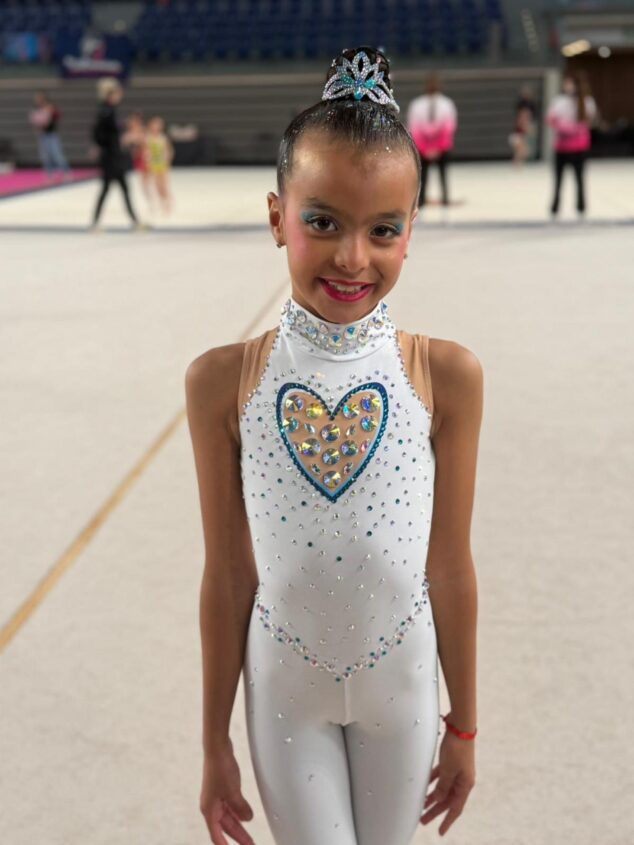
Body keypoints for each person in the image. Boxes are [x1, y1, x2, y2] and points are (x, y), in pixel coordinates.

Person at [185, 45, 482, 845]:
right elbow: (228, 571)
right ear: (278, 214)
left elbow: (449, 563)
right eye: (323, 222)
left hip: (405, 680)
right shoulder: (222, 381)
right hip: (287, 689)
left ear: (410, 232)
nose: (354, 257)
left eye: (383, 229)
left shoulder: (446, 375)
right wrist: (213, 739)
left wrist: (467, 725)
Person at [90, 77, 142, 231]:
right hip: (111, 158)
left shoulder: (109, 111)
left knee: (122, 189)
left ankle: (134, 220)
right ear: (110, 95)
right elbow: (100, 133)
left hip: (114, 156)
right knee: (108, 189)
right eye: (117, 94)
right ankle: (95, 222)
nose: (119, 96)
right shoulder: (106, 112)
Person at [546, 71, 598, 218]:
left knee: (580, 180)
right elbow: (550, 119)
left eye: (570, 83)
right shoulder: (558, 101)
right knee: (558, 181)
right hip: (562, 148)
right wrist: (565, 127)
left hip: (579, 148)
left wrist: (574, 129)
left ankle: (581, 207)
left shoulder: (586, 102)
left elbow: (589, 122)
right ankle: (555, 208)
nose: (567, 86)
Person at [406, 73, 457, 208]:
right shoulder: (417, 105)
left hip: (441, 147)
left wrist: (438, 147)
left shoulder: (447, 104)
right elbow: (414, 128)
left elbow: (449, 127)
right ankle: (421, 200)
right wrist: (424, 149)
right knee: (423, 177)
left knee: (443, 174)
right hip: (423, 148)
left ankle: (445, 198)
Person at [28, 92, 71, 182]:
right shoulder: (36, 108)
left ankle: (66, 172)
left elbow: (57, 117)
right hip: (42, 134)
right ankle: (49, 175)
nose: (38, 100)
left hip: (51, 134)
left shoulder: (50, 106)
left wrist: (51, 112)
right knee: (45, 156)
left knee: (57, 155)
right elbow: (34, 120)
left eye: (39, 98)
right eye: (36, 99)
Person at [121, 111, 153, 208]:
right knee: (137, 182)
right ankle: (143, 200)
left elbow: (147, 144)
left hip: (143, 158)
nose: (133, 123)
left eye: (135, 121)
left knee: (146, 181)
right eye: (132, 121)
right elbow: (124, 142)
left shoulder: (143, 131)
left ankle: (149, 199)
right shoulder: (128, 133)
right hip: (132, 159)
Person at [145, 115, 174, 214]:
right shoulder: (148, 137)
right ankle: (161, 203)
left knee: (164, 185)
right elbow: (146, 151)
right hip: (154, 164)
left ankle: (168, 203)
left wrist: (167, 160)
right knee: (157, 186)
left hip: (162, 164)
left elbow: (169, 150)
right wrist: (147, 160)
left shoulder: (162, 138)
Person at [509, 84, 537, 165]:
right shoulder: (520, 105)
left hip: (521, 134)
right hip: (517, 136)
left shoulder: (531, 104)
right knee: (523, 150)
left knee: (524, 150)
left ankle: (518, 161)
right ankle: (517, 162)